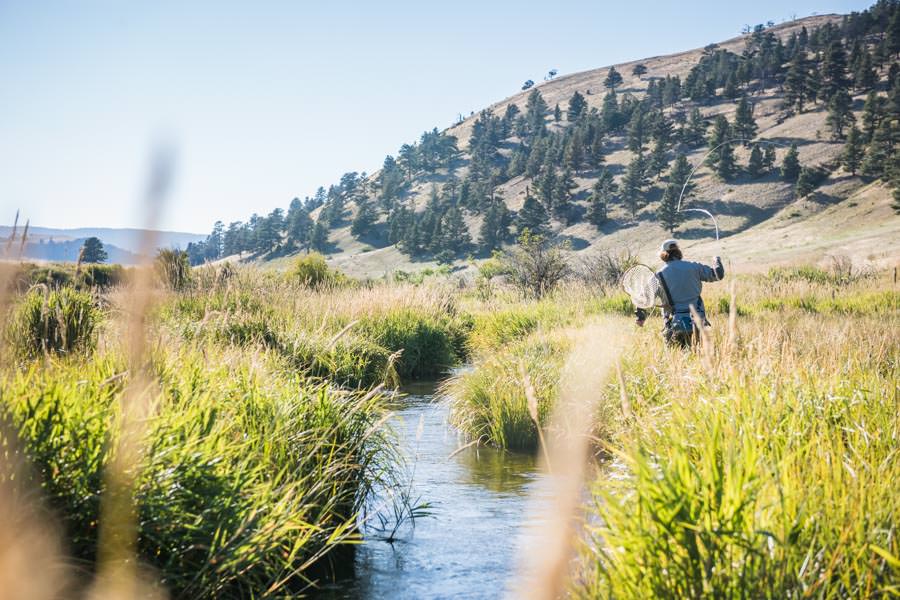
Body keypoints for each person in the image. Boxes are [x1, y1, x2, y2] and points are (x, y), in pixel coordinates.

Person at [635, 239, 725, 347]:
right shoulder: (694, 267)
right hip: (698, 323)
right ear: (678, 252)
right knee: (701, 359)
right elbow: (718, 274)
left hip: (674, 325)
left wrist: (641, 317)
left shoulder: (659, 275)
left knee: (675, 360)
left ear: (663, 255)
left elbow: (643, 299)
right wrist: (717, 260)